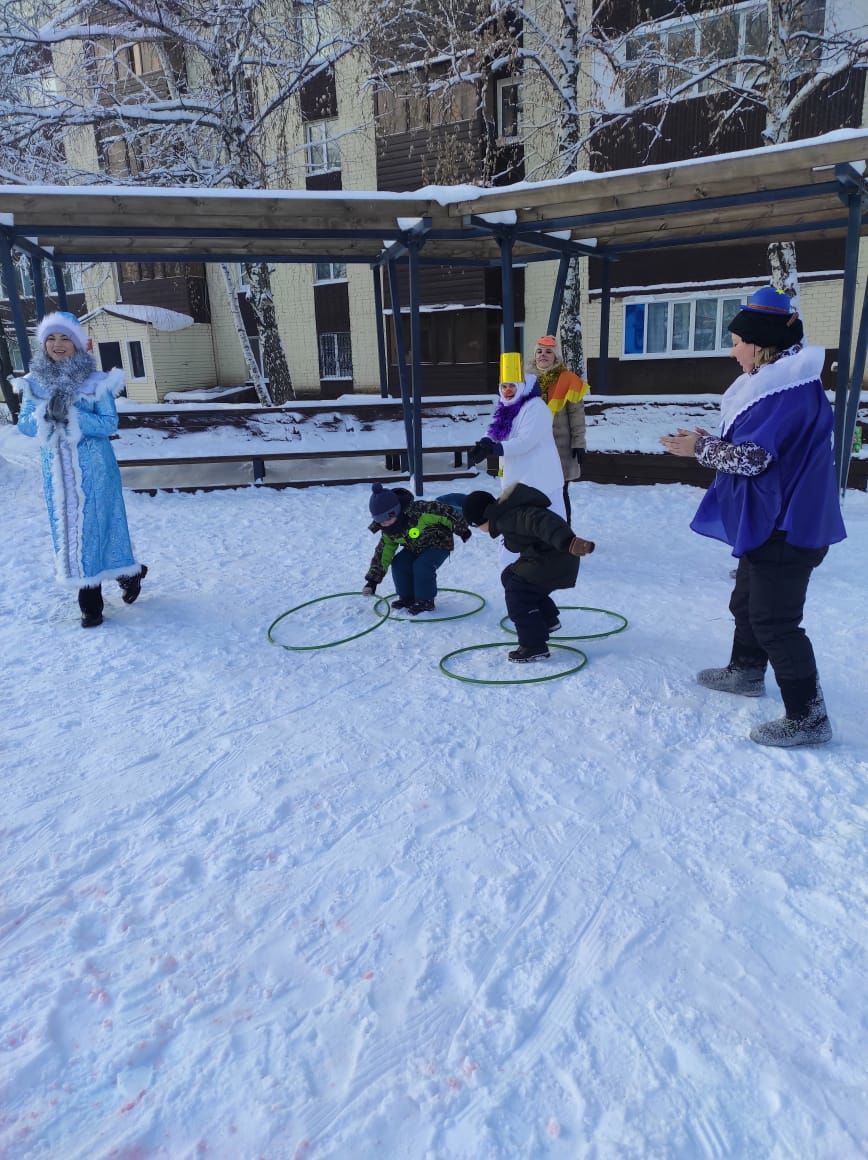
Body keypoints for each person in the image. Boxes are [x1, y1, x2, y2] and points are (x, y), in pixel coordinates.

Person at [660, 287, 845, 747]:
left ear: (761, 344)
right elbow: (761, 448)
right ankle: (745, 671)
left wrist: (699, 448)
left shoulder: (786, 391)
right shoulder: (778, 383)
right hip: (773, 521)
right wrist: (708, 439)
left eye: (738, 340)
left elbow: (754, 460)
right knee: (746, 602)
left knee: (777, 622)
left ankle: (809, 718)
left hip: (788, 525)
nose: (732, 349)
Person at [15, 311, 147, 628]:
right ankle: (129, 572)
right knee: (70, 531)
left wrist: (73, 416)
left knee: (98, 527)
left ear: (77, 344)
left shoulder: (97, 382)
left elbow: (108, 423)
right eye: (51, 337)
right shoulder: (33, 383)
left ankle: (91, 602)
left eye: (65, 338)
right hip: (57, 473)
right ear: (43, 342)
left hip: (95, 469)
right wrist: (46, 414)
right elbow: (24, 426)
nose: (58, 345)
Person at [462, 484, 595, 662]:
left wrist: (568, 542)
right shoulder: (506, 515)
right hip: (545, 558)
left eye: (476, 525)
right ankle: (547, 620)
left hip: (557, 559)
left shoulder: (510, 517)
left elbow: (541, 522)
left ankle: (534, 646)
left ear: (481, 518)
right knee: (509, 576)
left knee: (517, 593)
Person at [361, 483, 471, 615]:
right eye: (380, 521)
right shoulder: (387, 530)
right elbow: (383, 553)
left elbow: (444, 512)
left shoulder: (419, 511)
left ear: (395, 511)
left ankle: (426, 601)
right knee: (399, 563)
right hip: (414, 548)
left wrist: (462, 529)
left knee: (422, 565)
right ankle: (407, 597)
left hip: (439, 543)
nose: (384, 524)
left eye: (387, 519)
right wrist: (372, 581)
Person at [530, 334, 589, 522]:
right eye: (539, 351)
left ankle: (564, 534)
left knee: (559, 493)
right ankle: (542, 532)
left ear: (556, 357)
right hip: (534, 448)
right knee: (536, 493)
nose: (543, 355)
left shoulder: (568, 379)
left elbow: (577, 414)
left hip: (560, 448)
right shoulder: (526, 381)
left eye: (548, 351)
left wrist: (579, 443)